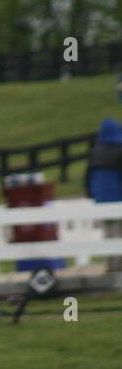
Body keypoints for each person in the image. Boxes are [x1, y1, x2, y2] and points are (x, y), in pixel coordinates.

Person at [85, 116, 122, 271]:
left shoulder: (96, 150)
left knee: (108, 232)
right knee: (119, 231)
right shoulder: (119, 149)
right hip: (117, 195)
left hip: (101, 197)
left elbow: (88, 175)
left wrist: (90, 192)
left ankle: (110, 264)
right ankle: (119, 264)